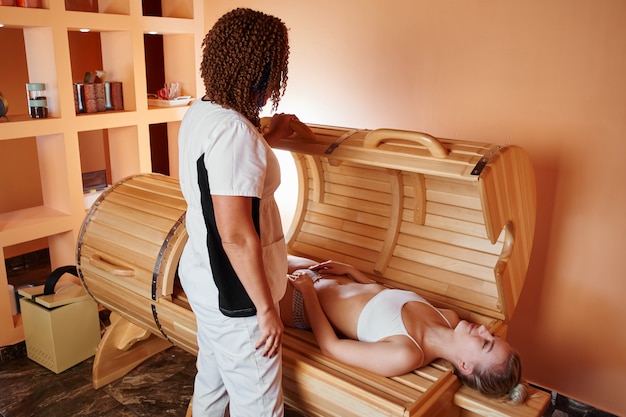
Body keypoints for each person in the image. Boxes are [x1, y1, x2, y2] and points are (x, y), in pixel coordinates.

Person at [178, 8, 298, 417]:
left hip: (204, 278)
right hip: (237, 297)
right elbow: (235, 233)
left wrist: (267, 135)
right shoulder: (234, 133)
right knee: (260, 408)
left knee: (211, 384)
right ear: (260, 73)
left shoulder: (203, 112)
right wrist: (266, 311)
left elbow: (225, 169)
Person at [280, 256, 529, 405]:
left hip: (298, 300)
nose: (485, 330)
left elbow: (331, 347)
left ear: (464, 365)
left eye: (485, 343)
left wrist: (309, 292)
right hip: (316, 272)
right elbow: (384, 300)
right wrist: (352, 272)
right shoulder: (448, 317)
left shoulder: (406, 354)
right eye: (492, 336)